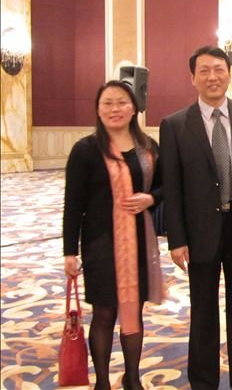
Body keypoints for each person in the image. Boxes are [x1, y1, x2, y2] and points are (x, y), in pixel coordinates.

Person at [159, 46, 232, 390]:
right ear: (193, 78)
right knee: (203, 310)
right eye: (204, 71)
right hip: (199, 231)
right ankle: (203, 381)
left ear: (229, 74)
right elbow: (172, 187)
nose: (212, 77)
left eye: (219, 69)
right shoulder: (174, 125)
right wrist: (176, 239)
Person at [63, 80, 163, 390]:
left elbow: (166, 186)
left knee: (134, 311)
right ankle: (102, 383)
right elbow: (73, 204)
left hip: (139, 243)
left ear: (134, 108)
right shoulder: (85, 150)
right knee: (104, 313)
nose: (114, 109)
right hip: (101, 244)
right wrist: (69, 252)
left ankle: (132, 378)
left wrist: (150, 198)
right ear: (98, 110)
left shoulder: (149, 148)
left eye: (121, 102)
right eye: (107, 103)